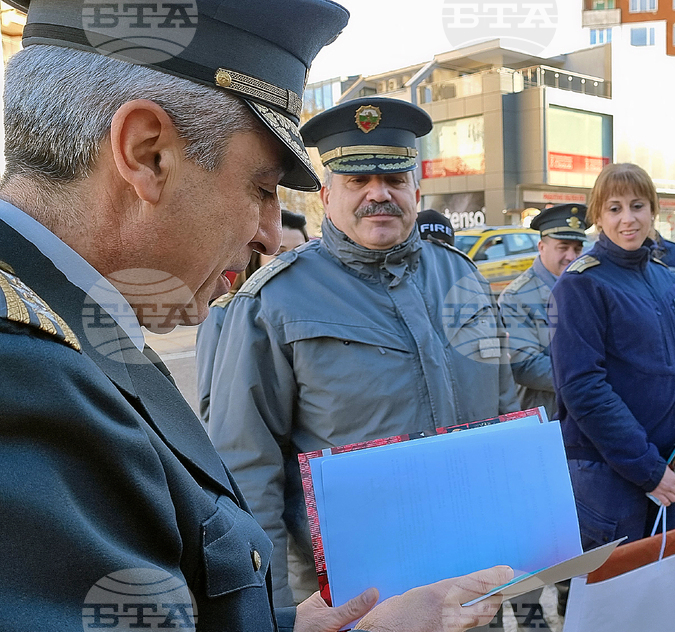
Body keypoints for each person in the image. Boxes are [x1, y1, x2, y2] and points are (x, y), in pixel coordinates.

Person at [0, 1, 511, 631]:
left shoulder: (67, 333)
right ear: (147, 154)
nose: (272, 234)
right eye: (262, 188)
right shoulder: (22, 378)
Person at [207, 96, 520, 606]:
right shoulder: (274, 300)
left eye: (395, 180)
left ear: (416, 190)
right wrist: (274, 610)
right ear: (326, 197)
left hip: (472, 563)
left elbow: (505, 410)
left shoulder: (461, 275)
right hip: (360, 591)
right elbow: (246, 464)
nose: (380, 195)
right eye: (358, 181)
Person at [550, 163, 675, 551]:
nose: (628, 219)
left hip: (665, 466)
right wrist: (646, 467)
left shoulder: (663, 278)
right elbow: (583, 388)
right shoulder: (581, 284)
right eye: (614, 208)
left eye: (638, 206)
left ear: (654, 210)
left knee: (657, 592)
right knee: (609, 601)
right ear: (597, 216)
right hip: (610, 474)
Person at [196, 209, 310, 423]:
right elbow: (211, 403)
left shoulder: (318, 313)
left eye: (300, 251)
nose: (292, 262)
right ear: (258, 258)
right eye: (279, 253)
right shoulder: (223, 313)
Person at [498, 204, 588, 416]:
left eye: (577, 248)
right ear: (541, 247)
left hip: (587, 412)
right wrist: (586, 377)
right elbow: (525, 365)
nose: (571, 256)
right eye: (563, 247)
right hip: (547, 415)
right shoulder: (517, 297)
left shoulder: (588, 287)